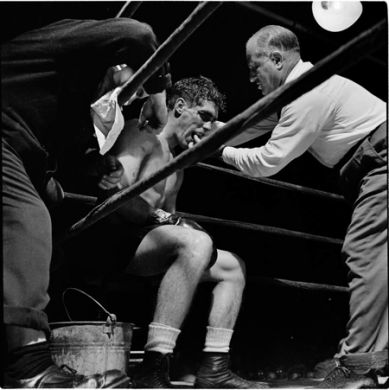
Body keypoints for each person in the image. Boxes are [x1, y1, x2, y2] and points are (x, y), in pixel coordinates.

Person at [2, 18, 171, 388]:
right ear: (118, 65)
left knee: (53, 206)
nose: (135, 99)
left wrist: (99, 167)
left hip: (24, 151)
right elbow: (137, 33)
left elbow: (69, 152)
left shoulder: (83, 101)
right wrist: (159, 93)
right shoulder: (69, 46)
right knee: (27, 220)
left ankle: (17, 340)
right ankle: (28, 365)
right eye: (136, 86)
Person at [217, 25, 387, 388]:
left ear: (277, 59)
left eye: (254, 68)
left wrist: (220, 151)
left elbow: (268, 161)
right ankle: (371, 360)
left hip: (381, 158)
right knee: (379, 260)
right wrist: (210, 131)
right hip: (374, 161)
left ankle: (357, 364)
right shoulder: (294, 91)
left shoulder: (305, 93)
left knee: (363, 252)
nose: (251, 79)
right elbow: (250, 124)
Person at [103, 76, 268, 389]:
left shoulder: (177, 164)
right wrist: (169, 221)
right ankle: (153, 367)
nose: (207, 127)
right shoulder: (141, 136)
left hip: (148, 245)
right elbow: (116, 199)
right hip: (113, 241)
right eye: (204, 116)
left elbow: (169, 218)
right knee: (195, 242)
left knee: (233, 267)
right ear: (179, 107)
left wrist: (176, 222)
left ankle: (215, 369)